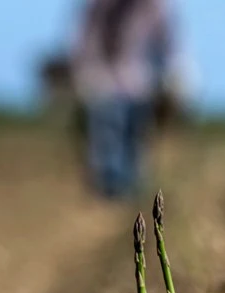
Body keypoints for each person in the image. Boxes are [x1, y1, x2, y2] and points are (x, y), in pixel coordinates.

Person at [70, 0, 178, 200]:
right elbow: (84, 42)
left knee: (136, 144)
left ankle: (130, 201)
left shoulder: (156, 7)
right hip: (104, 85)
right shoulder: (99, 6)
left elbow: (168, 44)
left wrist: (172, 77)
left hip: (141, 86)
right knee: (107, 145)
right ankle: (108, 197)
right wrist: (85, 75)